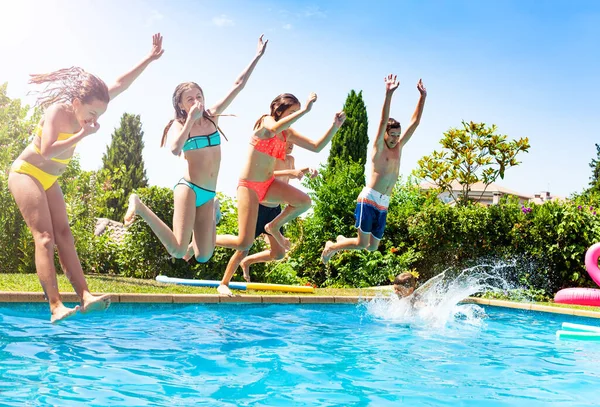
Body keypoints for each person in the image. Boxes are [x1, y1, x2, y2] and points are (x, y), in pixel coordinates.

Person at [8, 34, 165, 322]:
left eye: (99, 115)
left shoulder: (86, 109)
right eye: (91, 113)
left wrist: (149, 58)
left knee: (65, 235)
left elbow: (120, 83)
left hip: (48, 179)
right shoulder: (58, 112)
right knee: (44, 238)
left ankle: (84, 296)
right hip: (26, 173)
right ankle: (55, 306)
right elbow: (45, 151)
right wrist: (82, 133)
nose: (94, 120)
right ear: (77, 102)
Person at [124, 35, 268, 264]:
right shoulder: (179, 125)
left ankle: (214, 211)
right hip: (189, 188)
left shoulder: (213, 117)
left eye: (198, 96)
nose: (195, 101)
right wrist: (190, 120)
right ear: (181, 105)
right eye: (189, 99)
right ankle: (140, 206)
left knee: (203, 255)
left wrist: (257, 56)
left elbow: (238, 85)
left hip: (209, 194)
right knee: (179, 250)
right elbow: (174, 149)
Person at [216, 92, 345, 295]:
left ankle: (274, 225)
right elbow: (272, 129)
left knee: (304, 201)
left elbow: (317, 147)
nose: (294, 115)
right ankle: (210, 250)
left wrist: (334, 127)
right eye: (291, 111)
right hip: (249, 185)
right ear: (279, 109)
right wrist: (305, 110)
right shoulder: (266, 120)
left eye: (296, 112)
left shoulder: (289, 133)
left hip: (268, 184)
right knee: (244, 242)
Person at [321, 75, 427, 263]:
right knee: (362, 244)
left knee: (372, 247)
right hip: (369, 199)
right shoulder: (379, 146)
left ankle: (343, 241)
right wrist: (388, 94)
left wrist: (422, 97)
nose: (395, 138)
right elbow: (382, 119)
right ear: (385, 134)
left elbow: (415, 123)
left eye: (398, 135)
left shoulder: (399, 148)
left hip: (384, 202)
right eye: (392, 134)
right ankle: (332, 246)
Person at [240, 140, 317, 282]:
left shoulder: (290, 160)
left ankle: (248, 261)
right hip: (260, 207)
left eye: (293, 142)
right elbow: (268, 175)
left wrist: (307, 170)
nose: (291, 144)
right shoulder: (273, 157)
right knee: (243, 245)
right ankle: (225, 280)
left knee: (279, 253)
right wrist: (290, 172)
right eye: (288, 141)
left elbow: (289, 177)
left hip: (275, 209)